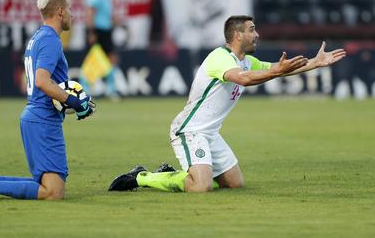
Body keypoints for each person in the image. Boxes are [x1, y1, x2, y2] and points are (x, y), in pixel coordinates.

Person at [109, 15, 346, 193]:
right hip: (189, 130)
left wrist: (315, 63)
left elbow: (276, 69)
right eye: (252, 30)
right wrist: (277, 72)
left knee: (234, 184)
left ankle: (179, 174)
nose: (257, 34)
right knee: (201, 187)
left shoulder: (246, 60)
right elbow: (243, 78)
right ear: (238, 35)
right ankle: (143, 177)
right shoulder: (219, 58)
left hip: (210, 133)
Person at [0, 0, 95, 200]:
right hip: (43, 119)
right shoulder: (50, 40)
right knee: (53, 192)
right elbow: (41, 81)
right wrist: (73, 101)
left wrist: (74, 102)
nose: (72, 14)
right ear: (59, 11)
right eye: (69, 8)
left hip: (36, 117)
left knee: (47, 186)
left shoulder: (38, 37)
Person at [85, 0, 119, 99]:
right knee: (95, 60)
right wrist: (91, 32)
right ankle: (88, 88)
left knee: (111, 59)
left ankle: (110, 89)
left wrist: (116, 21)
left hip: (106, 31)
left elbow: (107, 14)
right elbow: (90, 13)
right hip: (98, 31)